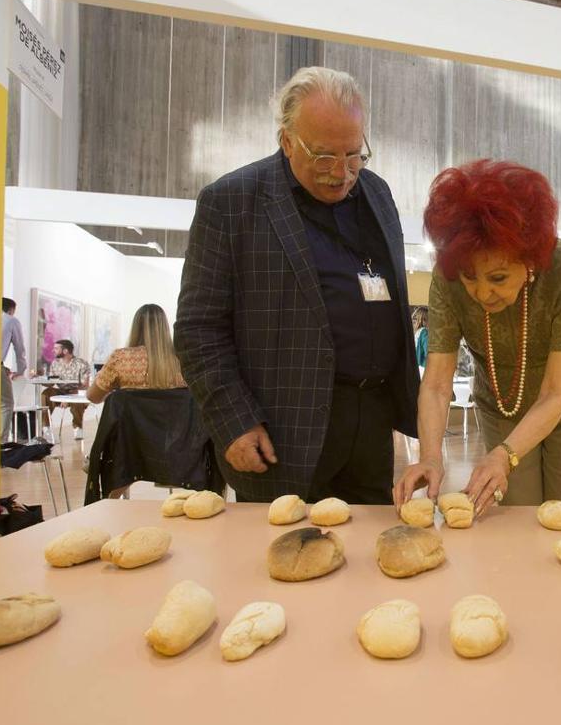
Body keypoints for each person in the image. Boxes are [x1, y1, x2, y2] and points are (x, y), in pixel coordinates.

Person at [175, 66, 419, 505]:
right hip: (282, 428)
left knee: (366, 558)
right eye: (324, 156)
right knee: (281, 557)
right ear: (287, 140)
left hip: (371, 421)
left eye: (353, 155)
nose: (342, 173)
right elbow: (198, 330)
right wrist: (234, 420)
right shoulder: (232, 202)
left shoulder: (377, 193)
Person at [394, 160, 561, 517]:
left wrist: (504, 454)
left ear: (529, 259)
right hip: (502, 399)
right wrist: (431, 458)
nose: (481, 292)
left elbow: (556, 393)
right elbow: (435, 384)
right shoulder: (447, 278)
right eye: (469, 276)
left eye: (497, 277)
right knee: (516, 512)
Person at [86, 304, 187, 404]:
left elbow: (93, 396)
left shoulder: (120, 359)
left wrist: (114, 393)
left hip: (129, 420)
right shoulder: (182, 361)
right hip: (173, 420)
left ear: (135, 327)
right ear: (165, 328)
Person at [40, 339, 91, 440]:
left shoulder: (81, 363)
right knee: (46, 393)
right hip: (61, 392)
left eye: (56, 348)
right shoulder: (55, 363)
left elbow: (85, 385)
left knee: (77, 400)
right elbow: (51, 383)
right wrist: (38, 377)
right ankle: (46, 428)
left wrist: (68, 398)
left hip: (77, 392)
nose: (53, 350)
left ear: (65, 351)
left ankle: (78, 427)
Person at [0, 297, 28, 442]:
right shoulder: (11, 320)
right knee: (6, 403)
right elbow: (19, 348)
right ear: (11, 310)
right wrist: (20, 369)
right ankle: (1, 443)